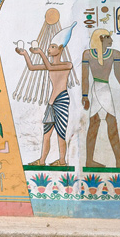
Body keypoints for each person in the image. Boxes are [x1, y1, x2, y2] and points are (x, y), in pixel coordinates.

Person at [16, 22, 76, 166]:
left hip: (61, 100)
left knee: (60, 133)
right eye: (49, 46)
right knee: (46, 134)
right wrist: (25, 54)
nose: (49, 49)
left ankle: (62, 161)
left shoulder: (67, 64)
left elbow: (50, 66)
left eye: (53, 47)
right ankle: (42, 160)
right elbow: (32, 67)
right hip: (51, 102)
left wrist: (40, 52)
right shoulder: (52, 65)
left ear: (61, 49)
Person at [82, 29, 120, 167]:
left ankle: (118, 161)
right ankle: (91, 161)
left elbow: (118, 75)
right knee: (95, 124)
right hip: (97, 89)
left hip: (105, 90)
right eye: (108, 37)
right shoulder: (87, 54)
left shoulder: (115, 54)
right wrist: (85, 96)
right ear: (101, 39)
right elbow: (85, 77)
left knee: (108, 123)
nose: (111, 40)